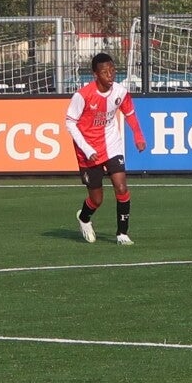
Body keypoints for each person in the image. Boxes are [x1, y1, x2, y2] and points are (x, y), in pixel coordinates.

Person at [65, 52, 149, 245]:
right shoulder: (82, 96)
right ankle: (84, 218)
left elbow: (130, 113)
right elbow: (70, 123)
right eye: (105, 72)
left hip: (112, 145)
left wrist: (138, 136)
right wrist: (87, 149)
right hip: (88, 151)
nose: (110, 75)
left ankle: (122, 234)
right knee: (97, 199)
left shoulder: (120, 92)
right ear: (95, 74)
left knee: (121, 187)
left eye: (112, 70)